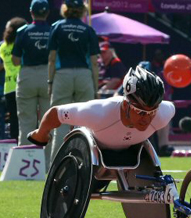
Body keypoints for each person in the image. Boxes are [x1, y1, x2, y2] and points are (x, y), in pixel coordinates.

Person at [28, 66, 175, 164]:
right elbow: (55, 113)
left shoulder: (164, 113)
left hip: (131, 154)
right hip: (92, 154)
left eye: (152, 112)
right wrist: (41, 134)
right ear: (125, 105)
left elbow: (169, 107)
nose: (147, 118)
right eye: (141, 112)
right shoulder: (98, 112)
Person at [47, 0, 100, 164]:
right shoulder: (88, 29)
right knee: (85, 122)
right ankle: (83, 163)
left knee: (60, 121)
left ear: (65, 9)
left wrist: (50, 81)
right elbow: (94, 62)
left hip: (63, 75)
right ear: (82, 10)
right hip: (84, 75)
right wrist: (95, 86)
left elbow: (51, 58)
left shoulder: (56, 26)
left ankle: (56, 164)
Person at [12, 0, 51, 148]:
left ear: (31, 12)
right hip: (47, 75)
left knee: (26, 121)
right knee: (49, 122)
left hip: (27, 75)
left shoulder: (22, 31)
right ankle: (48, 164)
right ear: (47, 13)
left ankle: (24, 161)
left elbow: (15, 60)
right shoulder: (52, 30)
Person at [0, 17, 27, 140]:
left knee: (13, 118)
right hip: (23, 84)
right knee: (27, 117)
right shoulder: (22, 45)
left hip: (9, 87)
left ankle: (16, 143)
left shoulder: (2, 48)